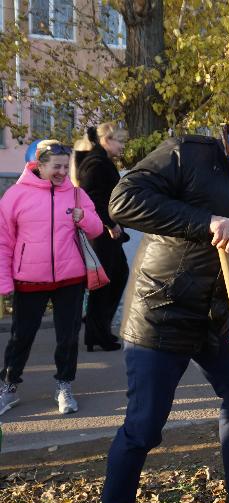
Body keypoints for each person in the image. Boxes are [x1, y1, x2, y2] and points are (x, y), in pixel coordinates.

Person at [99, 97, 229, 503]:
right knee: (146, 422)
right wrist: (203, 220)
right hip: (162, 310)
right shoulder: (189, 154)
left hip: (220, 317)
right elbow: (123, 201)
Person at [0, 140, 103, 416]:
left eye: (65, 166)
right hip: (29, 280)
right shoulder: (15, 195)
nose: (61, 171)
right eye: (56, 166)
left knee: (68, 338)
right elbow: (3, 241)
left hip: (70, 279)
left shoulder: (77, 195)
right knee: (21, 336)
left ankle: (64, 386)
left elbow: (96, 230)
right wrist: (4, 281)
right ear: (39, 165)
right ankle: (9, 388)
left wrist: (83, 218)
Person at [74, 123, 130, 352]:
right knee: (106, 281)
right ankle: (98, 332)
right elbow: (92, 199)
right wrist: (110, 224)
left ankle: (98, 328)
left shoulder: (99, 161)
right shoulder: (96, 163)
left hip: (106, 232)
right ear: (106, 140)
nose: (122, 146)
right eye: (120, 141)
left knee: (114, 277)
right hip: (102, 232)